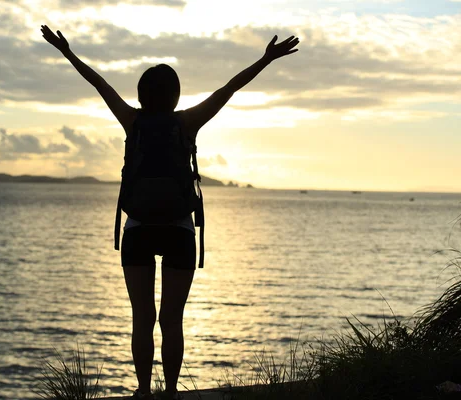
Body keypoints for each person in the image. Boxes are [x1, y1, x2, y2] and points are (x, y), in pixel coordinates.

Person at [41, 24, 299, 400]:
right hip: (180, 230)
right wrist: (265, 59)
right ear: (176, 96)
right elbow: (229, 89)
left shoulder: (132, 121)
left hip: (138, 229)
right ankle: (173, 393)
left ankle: (144, 393)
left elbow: (99, 85)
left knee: (142, 319)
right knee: (171, 320)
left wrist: (67, 52)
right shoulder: (187, 122)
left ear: (141, 95)